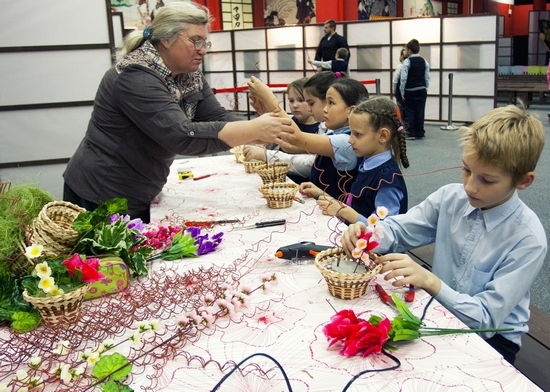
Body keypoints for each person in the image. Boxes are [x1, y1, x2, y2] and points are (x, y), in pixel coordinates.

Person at [341, 104, 546, 365]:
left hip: (492, 340)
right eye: (466, 170)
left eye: (488, 180)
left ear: (524, 181)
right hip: (439, 308)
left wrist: (430, 281)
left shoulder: (527, 239)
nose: (470, 186)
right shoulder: (451, 198)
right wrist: (366, 233)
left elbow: (484, 320)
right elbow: (399, 230)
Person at [63, 3, 294, 223]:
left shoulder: (187, 73)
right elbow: (181, 136)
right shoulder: (135, 75)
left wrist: (259, 131)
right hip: (104, 190)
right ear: (166, 38)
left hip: (143, 186)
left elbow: (216, 116)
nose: (202, 50)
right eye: (195, 41)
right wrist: (253, 129)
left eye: (205, 42)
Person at [299, 97, 409, 224]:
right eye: (350, 133)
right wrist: (321, 194)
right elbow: (357, 208)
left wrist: (342, 211)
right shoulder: (367, 163)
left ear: (383, 136)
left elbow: (383, 230)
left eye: (357, 134)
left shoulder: (388, 178)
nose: (350, 140)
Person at [243, 77, 320, 184]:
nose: (295, 105)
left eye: (301, 100)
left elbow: (288, 146)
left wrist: (265, 154)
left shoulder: (320, 129)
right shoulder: (289, 120)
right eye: (291, 100)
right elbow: (274, 144)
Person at [400, 39, 429, 140]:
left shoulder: (407, 61)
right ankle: (420, 132)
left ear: (409, 50)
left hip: (410, 90)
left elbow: (403, 78)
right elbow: (427, 77)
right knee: (420, 111)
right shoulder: (424, 61)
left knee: (410, 111)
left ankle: (411, 132)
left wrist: (402, 91)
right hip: (422, 89)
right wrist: (426, 88)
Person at [393, 48, 407, 113]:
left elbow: (395, 80)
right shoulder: (411, 66)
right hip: (409, 91)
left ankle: (401, 122)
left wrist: (394, 90)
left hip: (400, 91)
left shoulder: (400, 67)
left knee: (401, 110)